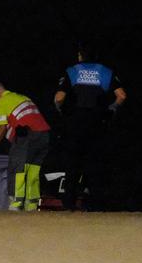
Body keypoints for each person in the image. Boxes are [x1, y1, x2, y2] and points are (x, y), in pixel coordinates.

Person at [53, 45, 127, 210]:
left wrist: (61, 111)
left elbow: (59, 98)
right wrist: (111, 110)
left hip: (75, 121)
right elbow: (121, 96)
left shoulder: (72, 71)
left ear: (80, 56)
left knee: (72, 162)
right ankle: (94, 202)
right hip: (97, 121)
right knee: (94, 162)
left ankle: (69, 203)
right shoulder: (105, 71)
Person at [0, 81, 51, 211]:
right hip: (44, 136)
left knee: (16, 168)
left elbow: (1, 128)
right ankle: (32, 205)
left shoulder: (2, 102)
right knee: (33, 170)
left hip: (25, 135)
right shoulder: (23, 97)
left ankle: (16, 204)